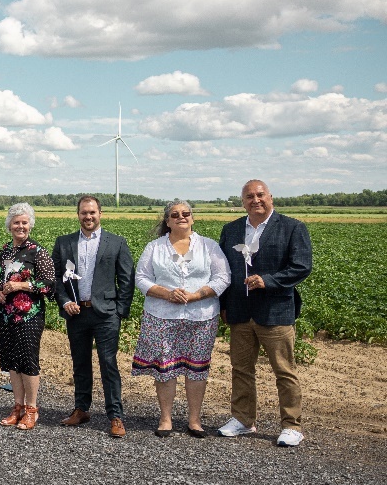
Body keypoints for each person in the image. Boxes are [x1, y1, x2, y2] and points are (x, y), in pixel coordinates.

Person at [217, 180, 313, 447]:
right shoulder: (232, 229)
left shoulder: (292, 227)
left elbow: (301, 266)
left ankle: (292, 425)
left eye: (260, 195)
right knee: (241, 369)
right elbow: (223, 271)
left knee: (284, 371)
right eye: (249, 196)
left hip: (276, 310)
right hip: (240, 311)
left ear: (271, 197)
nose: (255, 200)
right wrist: (224, 305)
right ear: (242, 201)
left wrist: (268, 281)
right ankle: (243, 420)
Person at [131, 200, 231, 438]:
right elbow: (141, 278)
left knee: (197, 368)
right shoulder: (154, 247)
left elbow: (223, 277)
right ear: (167, 221)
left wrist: (197, 295)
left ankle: (194, 420)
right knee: (165, 367)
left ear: (192, 218)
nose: (181, 217)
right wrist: (167, 293)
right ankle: (165, 418)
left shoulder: (209, 246)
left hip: (202, 317)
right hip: (162, 315)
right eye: (175, 215)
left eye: (186, 214)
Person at [51, 195, 135, 439]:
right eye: (83, 213)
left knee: (108, 364)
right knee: (80, 363)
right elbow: (56, 278)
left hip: (106, 313)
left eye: (92, 213)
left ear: (100, 214)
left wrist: (120, 310)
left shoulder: (116, 242)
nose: (88, 217)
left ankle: (115, 416)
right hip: (76, 313)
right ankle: (82, 409)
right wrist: (65, 301)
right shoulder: (65, 243)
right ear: (77, 215)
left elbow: (126, 279)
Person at [0, 203, 55, 431]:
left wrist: (21, 285)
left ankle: (32, 409)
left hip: (29, 316)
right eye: (16, 222)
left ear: (30, 225)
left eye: (24, 222)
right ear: (9, 225)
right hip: (5, 316)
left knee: (27, 361)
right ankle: (17, 407)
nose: (20, 226)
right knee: (12, 363)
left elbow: (49, 284)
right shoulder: (2, 252)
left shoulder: (38, 252)